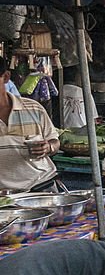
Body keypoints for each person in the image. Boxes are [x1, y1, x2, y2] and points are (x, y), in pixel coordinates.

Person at [0, 57, 59, 191]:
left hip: (41, 188)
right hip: (5, 198)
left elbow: (55, 142)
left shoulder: (34, 109)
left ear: (6, 77)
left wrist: (48, 147)